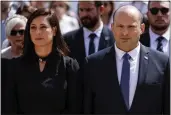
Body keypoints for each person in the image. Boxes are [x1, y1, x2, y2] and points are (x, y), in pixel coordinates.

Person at [81, 5, 169, 114]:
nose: (125, 33)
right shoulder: (93, 63)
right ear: (112, 28)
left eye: (131, 27)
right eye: (120, 26)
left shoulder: (162, 62)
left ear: (141, 28)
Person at [2, 8, 79, 114]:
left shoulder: (69, 66)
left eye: (43, 27)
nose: (37, 32)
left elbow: (75, 108)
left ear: (54, 30)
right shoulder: (14, 67)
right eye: (33, 27)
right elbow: (9, 108)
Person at [63, 1, 114, 69]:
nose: (84, 14)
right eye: (81, 10)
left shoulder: (114, 38)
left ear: (101, 10)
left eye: (89, 10)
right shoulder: (68, 39)